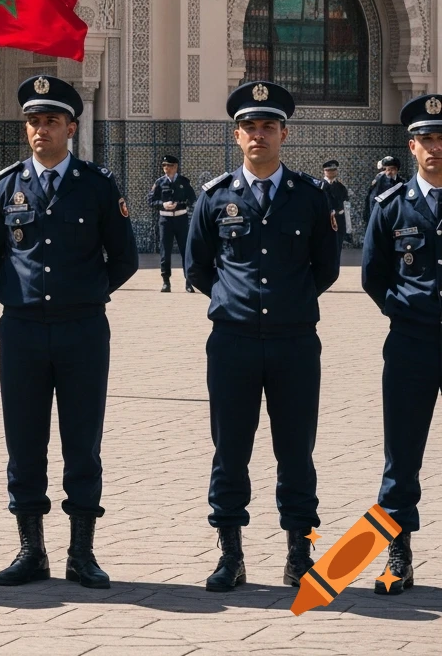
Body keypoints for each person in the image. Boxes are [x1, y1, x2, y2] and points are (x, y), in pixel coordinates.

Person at [0, 75, 139, 588]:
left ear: (72, 125)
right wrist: (21, 295)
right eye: (33, 121)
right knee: (24, 441)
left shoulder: (96, 185)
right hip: (21, 331)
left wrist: (85, 292)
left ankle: (81, 553)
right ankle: (31, 550)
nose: (40, 129)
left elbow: (126, 258)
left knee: (82, 441)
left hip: (82, 330)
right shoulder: (5, 186)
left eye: (50, 120)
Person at [185, 81, 339, 594]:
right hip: (233, 343)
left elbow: (326, 267)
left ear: (284, 134)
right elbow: (199, 267)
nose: (259, 135)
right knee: (230, 450)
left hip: (295, 342)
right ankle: (231, 555)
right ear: (237, 135)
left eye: (268, 127)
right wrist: (240, 304)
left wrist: (288, 306)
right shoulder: (214, 198)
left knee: (296, 450)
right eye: (250, 127)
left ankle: (300, 553)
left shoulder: (310, 198)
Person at [361, 93, 442, 595]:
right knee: (402, 454)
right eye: (427, 139)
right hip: (412, 342)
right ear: (411, 147)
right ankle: (398, 555)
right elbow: (373, 275)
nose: (435, 148)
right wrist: (406, 310)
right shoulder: (392, 206)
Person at [146, 155, 196, 293]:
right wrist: (162, 204)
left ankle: (189, 282)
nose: (165, 168)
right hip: (165, 221)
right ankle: (166, 281)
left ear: (175, 166)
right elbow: (150, 200)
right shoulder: (159, 182)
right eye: (164, 166)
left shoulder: (184, 182)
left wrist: (179, 204)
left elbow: (192, 199)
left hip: (181, 219)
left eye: (168, 165)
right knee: (165, 252)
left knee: (185, 251)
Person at [364, 156, 403, 225]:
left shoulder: (402, 182)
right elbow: (373, 200)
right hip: (380, 216)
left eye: (391, 169)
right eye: (387, 169)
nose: (388, 172)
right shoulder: (379, 181)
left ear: (397, 170)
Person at [322, 161, 349, 254]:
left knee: (337, 250)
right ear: (324, 171)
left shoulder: (341, 187)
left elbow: (345, 205)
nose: (331, 172)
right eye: (329, 170)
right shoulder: (319, 186)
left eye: (334, 170)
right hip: (324, 222)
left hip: (339, 222)